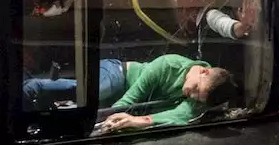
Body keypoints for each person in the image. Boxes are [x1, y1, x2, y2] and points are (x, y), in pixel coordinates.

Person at [22, 54, 235, 131]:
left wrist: (136, 121)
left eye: (198, 97)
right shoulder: (167, 64)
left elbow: (179, 116)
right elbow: (130, 101)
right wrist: (112, 118)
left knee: (88, 104)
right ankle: (33, 86)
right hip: (116, 72)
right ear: (203, 71)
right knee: (93, 92)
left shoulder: (205, 94)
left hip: (123, 97)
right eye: (196, 90)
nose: (191, 96)